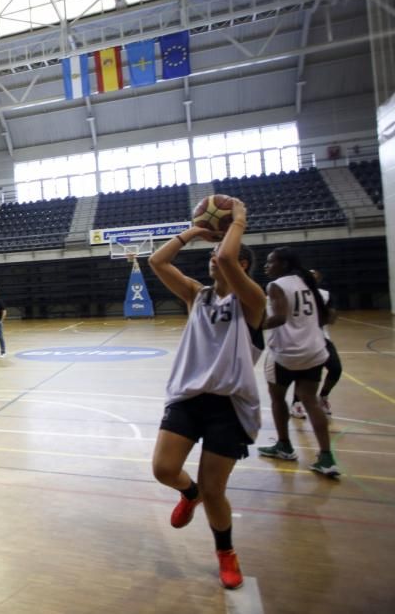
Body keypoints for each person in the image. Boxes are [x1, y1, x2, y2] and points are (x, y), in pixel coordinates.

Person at [148, 199, 266, 591]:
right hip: (188, 398)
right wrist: (195, 232)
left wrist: (240, 220)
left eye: (218, 252)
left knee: (217, 491)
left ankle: (225, 552)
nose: (215, 257)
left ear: (242, 265)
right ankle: (188, 493)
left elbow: (230, 259)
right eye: (213, 253)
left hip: (229, 407)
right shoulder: (197, 295)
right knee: (164, 469)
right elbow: (158, 262)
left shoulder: (253, 302)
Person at [257, 247, 339, 477]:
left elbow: (279, 317)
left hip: (286, 352)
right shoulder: (310, 285)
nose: (266, 266)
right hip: (314, 351)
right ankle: (326, 457)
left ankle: (284, 445)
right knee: (311, 402)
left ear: (283, 264)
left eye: (270, 261)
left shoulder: (277, 285)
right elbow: (326, 318)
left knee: (277, 399)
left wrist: (253, 326)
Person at [290, 270, 341, 418]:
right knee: (302, 372)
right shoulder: (293, 294)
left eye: (315, 274)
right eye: (308, 274)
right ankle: (296, 403)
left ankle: (323, 397)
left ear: (319, 278)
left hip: (322, 337)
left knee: (336, 368)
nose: (311, 276)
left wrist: (327, 314)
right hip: (301, 338)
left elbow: (331, 318)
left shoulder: (324, 295)